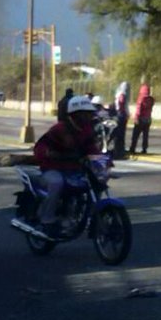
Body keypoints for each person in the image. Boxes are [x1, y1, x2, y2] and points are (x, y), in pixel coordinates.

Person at [32, 95, 99, 238]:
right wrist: (50, 154)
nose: (89, 116)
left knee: (94, 183)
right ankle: (47, 220)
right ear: (75, 114)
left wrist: (103, 162)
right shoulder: (59, 129)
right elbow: (40, 148)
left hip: (74, 169)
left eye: (90, 113)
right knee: (57, 183)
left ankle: (81, 216)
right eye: (85, 113)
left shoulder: (87, 130)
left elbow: (93, 148)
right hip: (52, 168)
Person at [130, 82, 155, 154]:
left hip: (141, 119)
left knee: (135, 135)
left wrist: (136, 118)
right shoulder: (151, 99)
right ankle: (144, 149)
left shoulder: (141, 99)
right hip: (148, 119)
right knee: (145, 135)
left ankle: (133, 148)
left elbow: (138, 109)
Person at [113, 81, 130, 159]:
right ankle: (119, 151)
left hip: (119, 115)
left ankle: (118, 150)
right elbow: (122, 105)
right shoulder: (122, 95)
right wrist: (127, 114)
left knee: (119, 134)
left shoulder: (118, 94)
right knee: (121, 134)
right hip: (121, 115)